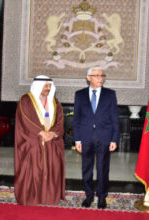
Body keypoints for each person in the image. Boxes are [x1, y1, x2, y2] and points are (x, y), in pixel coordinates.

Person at [14, 75, 65, 206]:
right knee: (34, 170)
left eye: (49, 86)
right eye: (45, 85)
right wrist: (41, 132)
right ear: (38, 86)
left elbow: (60, 121)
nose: (48, 88)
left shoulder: (54, 102)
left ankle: (49, 196)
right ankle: (31, 197)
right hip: (33, 142)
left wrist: (53, 133)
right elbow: (25, 120)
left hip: (51, 142)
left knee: (52, 167)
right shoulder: (25, 100)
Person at [73, 67, 119, 209]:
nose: (101, 78)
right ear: (88, 77)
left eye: (102, 75)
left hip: (104, 137)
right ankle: (88, 195)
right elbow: (77, 119)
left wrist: (114, 139)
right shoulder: (79, 94)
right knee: (86, 168)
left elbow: (114, 118)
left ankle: (102, 197)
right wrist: (77, 139)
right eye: (97, 75)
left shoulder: (110, 94)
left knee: (102, 168)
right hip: (85, 137)